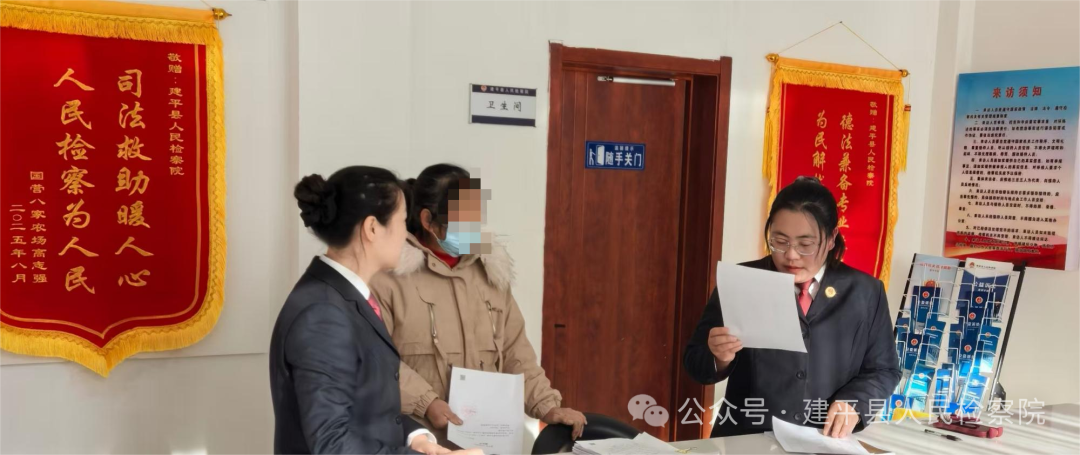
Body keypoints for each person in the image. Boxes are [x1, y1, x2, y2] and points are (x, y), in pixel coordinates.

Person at [270, 166, 480, 455]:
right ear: (371, 228)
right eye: (402, 221)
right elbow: (332, 444)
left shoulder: (347, 297)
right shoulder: (323, 314)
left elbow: (367, 408)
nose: (406, 234)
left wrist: (415, 437)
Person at [370, 164, 588, 442]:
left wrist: (547, 406)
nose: (472, 228)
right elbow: (375, 360)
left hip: (487, 440)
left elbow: (515, 351)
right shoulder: (388, 280)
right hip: (419, 440)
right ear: (427, 220)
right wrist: (426, 402)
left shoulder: (490, 273)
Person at [683, 176, 900, 438]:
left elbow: (884, 369)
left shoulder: (865, 292)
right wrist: (719, 357)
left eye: (805, 245)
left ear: (831, 239)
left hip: (824, 439)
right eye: (780, 241)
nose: (791, 255)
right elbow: (695, 362)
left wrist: (855, 402)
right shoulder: (743, 281)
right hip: (746, 439)